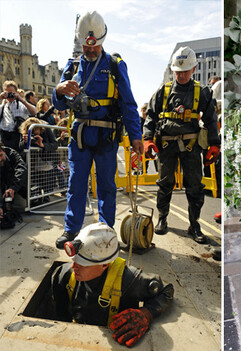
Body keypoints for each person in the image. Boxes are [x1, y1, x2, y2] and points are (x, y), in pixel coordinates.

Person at [52, 11, 143, 249]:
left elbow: (129, 104)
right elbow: (58, 104)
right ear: (81, 41)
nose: (90, 50)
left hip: (106, 137)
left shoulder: (115, 66)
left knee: (106, 187)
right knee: (76, 185)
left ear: (102, 40)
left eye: (95, 46)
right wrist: (59, 90)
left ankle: (106, 230)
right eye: (86, 46)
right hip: (80, 138)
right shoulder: (71, 67)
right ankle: (71, 231)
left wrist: (136, 138)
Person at [51, 222, 174, 347]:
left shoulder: (129, 279)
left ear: (104, 265)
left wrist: (146, 314)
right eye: (74, 260)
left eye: (82, 264)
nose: (73, 266)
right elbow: (59, 316)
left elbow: (166, 291)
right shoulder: (64, 275)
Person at [143, 46, 220, 243]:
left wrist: (214, 144)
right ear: (173, 70)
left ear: (193, 69)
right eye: (178, 71)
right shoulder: (163, 91)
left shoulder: (202, 92)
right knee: (165, 184)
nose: (182, 75)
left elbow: (211, 119)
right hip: (167, 145)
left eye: (185, 71)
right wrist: (147, 139)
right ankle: (163, 219)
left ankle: (194, 224)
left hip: (192, 145)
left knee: (194, 186)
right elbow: (150, 115)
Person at [0, 81, 37, 150]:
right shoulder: (2, 106)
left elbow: (34, 111)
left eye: (11, 92)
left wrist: (21, 99)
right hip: (4, 137)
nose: (9, 95)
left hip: (17, 137)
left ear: (16, 92)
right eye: (7, 93)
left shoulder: (21, 104)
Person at [0, 141, 27, 227]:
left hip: (14, 186)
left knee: (23, 206)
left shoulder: (12, 153)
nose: (0, 160)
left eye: (0, 155)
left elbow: (21, 169)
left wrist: (13, 188)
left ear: (3, 150)